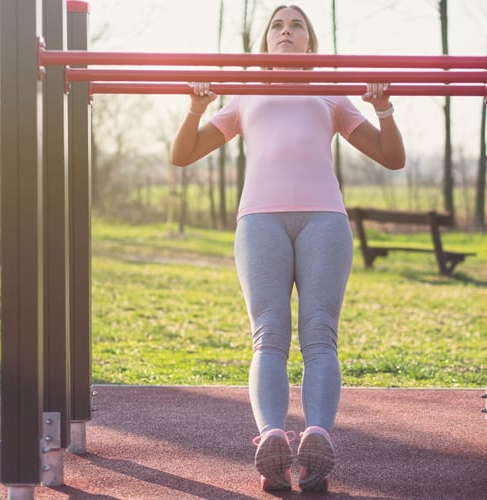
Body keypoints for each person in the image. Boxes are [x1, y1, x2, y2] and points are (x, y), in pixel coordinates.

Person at [170, 4, 405, 493]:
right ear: (265, 43)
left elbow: (391, 158)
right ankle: (272, 441)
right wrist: (196, 106)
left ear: (310, 43)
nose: (286, 30)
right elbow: (183, 155)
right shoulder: (245, 94)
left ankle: (318, 440)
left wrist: (383, 108)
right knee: (268, 335)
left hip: (324, 220)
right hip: (260, 221)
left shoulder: (331, 92)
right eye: (277, 24)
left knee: (320, 334)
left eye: (296, 24)